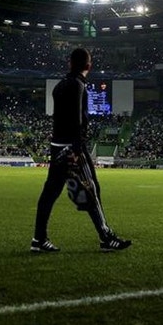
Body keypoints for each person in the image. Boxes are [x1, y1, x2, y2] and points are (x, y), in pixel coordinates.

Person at [31, 47, 131, 254]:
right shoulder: (78, 85)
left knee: (50, 192)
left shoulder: (59, 86)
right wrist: (77, 149)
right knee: (91, 189)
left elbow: (59, 119)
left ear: (70, 63)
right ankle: (106, 237)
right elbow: (78, 120)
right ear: (88, 66)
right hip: (72, 148)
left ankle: (38, 239)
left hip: (57, 146)